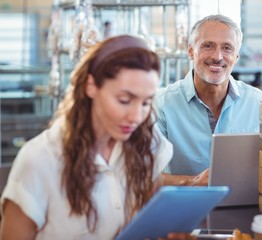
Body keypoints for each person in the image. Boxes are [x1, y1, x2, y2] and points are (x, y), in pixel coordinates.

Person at [0, 35, 192, 239]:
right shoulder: (40, 158)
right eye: (124, 100)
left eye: (146, 103)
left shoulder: (145, 141)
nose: (136, 117)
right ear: (90, 86)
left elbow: (149, 217)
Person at [155, 14, 262, 186]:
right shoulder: (162, 103)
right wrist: (192, 182)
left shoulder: (257, 102)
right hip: (185, 209)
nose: (218, 56)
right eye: (208, 46)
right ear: (191, 51)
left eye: (227, 48)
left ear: (236, 57)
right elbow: (143, 177)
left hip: (243, 208)